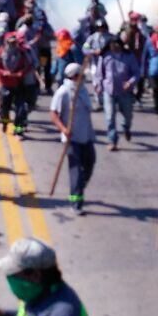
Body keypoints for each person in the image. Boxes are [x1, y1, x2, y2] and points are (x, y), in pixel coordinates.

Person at [50, 63, 96, 214]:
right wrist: (63, 129)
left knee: (89, 164)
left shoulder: (82, 90)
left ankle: (79, 186)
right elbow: (53, 114)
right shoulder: (63, 92)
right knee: (76, 170)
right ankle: (76, 202)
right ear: (75, 76)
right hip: (72, 139)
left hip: (86, 135)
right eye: (81, 75)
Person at [98, 36, 140, 151]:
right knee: (109, 116)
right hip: (109, 90)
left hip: (125, 92)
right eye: (112, 45)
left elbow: (137, 73)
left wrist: (130, 82)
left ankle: (126, 128)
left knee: (128, 115)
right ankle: (112, 141)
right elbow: (100, 73)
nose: (114, 47)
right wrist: (99, 85)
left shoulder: (129, 56)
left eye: (116, 45)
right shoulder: (105, 56)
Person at [0, 32, 34, 137]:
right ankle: (5, 123)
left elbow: (29, 65)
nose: (12, 45)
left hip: (19, 85)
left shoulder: (22, 53)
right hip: (5, 85)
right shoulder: (0, 52)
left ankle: (18, 129)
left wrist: (22, 73)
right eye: (10, 42)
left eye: (14, 42)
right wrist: (4, 72)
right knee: (5, 109)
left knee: (21, 109)